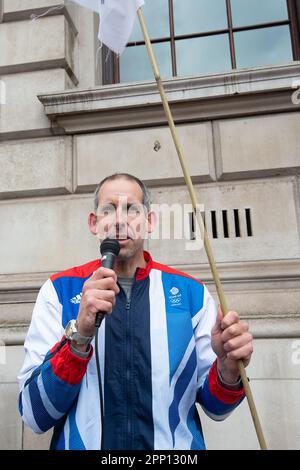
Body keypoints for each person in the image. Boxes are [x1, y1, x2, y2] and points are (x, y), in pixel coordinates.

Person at [18, 173, 253, 450]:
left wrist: (228, 369)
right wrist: (79, 338)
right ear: (94, 223)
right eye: (108, 210)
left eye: (132, 209)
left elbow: (217, 409)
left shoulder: (191, 294)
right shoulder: (59, 291)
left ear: (149, 222)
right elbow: (35, 415)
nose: (119, 220)